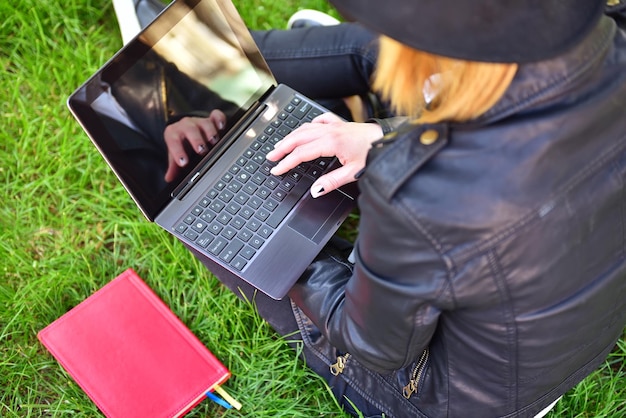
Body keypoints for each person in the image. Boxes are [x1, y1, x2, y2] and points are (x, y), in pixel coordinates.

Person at [119, 1, 626, 417]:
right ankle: (196, 63)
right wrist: (380, 134)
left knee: (202, 214)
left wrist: (261, 233)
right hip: (574, 330)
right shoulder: (610, 42)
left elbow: (375, 348)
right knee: (371, 54)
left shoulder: (420, 188)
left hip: (456, 399)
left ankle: (180, 86)